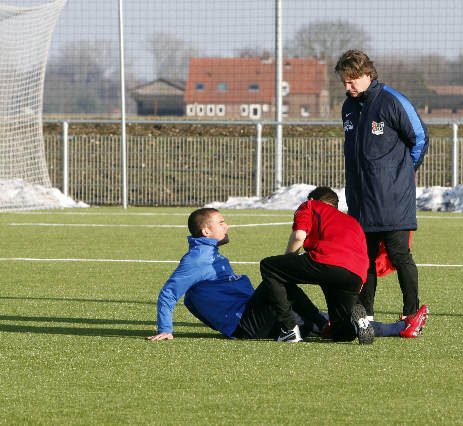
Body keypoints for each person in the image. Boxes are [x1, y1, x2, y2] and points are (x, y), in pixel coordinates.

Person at [258, 186, 428, 344]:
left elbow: (299, 237)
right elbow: (364, 257)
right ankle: (400, 327)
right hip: (354, 275)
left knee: (269, 267)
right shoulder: (351, 222)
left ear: (312, 199)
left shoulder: (310, 205)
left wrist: (288, 260)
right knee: (341, 332)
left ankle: (289, 329)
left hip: (328, 261)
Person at [334, 49, 429, 322]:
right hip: (361, 199)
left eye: (351, 81)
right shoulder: (348, 107)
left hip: (393, 198)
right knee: (364, 260)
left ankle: (412, 312)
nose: (347, 87)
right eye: (344, 82)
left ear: (367, 74)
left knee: (400, 255)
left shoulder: (392, 101)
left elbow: (420, 139)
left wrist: (401, 173)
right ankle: (365, 315)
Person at [147, 208, 328, 342]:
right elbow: (169, 293)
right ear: (206, 232)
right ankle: (323, 323)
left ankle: (334, 324)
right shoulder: (196, 260)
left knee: (310, 326)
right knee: (276, 278)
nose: (227, 226)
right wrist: (165, 329)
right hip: (243, 325)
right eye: (221, 222)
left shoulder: (211, 253)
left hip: (254, 315)